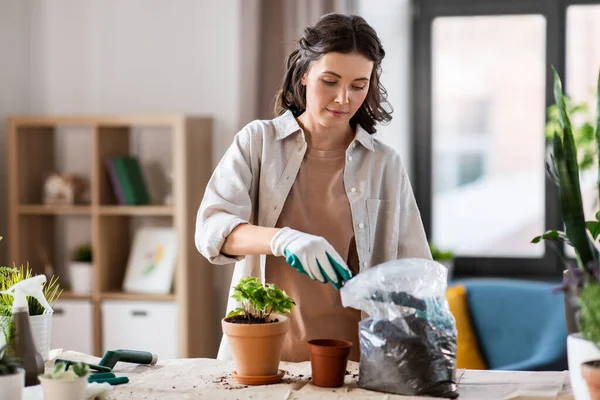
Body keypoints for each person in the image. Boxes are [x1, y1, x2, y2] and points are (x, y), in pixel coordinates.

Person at [195, 13, 431, 362]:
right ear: (304, 74)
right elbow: (211, 230)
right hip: (266, 354)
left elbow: (414, 269)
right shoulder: (258, 142)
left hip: (356, 360)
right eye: (330, 81)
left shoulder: (384, 163)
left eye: (358, 85)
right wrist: (283, 239)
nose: (343, 98)